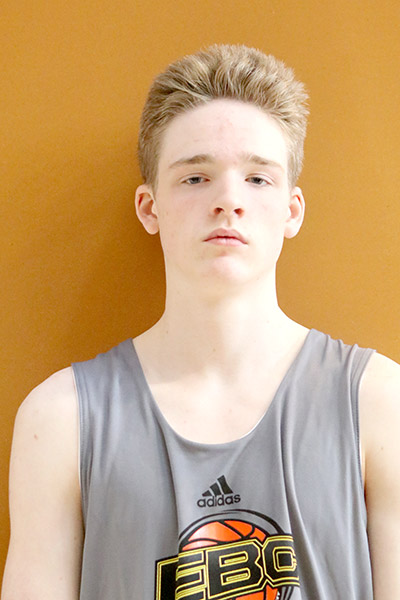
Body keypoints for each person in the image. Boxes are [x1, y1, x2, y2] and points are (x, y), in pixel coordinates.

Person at [2, 44, 400, 600]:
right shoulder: (60, 420)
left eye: (257, 178)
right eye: (195, 178)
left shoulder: (379, 403)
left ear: (292, 210)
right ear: (150, 207)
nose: (228, 200)